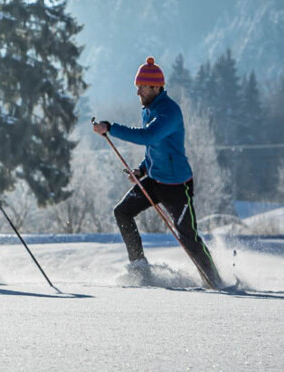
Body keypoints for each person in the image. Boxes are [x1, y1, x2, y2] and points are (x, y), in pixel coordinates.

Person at [91, 57, 222, 289]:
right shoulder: (149, 109)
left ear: (155, 87)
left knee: (187, 238)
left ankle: (214, 281)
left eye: (141, 87)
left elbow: (148, 136)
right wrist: (142, 169)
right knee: (122, 212)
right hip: (153, 178)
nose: (138, 93)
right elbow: (154, 147)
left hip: (176, 186)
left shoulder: (169, 112)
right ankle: (139, 268)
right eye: (137, 87)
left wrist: (111, 127)